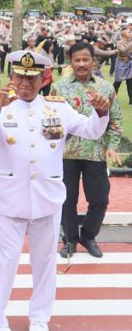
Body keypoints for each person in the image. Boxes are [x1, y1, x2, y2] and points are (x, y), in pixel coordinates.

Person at [0, 50, 110, 331]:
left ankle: (40, 317)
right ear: (12, 77)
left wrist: (102, 112)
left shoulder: (57, 108)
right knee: (4, 262)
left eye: (32, 78)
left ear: (43, 79)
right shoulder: (0, 106)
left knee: (45, 262)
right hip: (11, 198)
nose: (25, 84)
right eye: (20, 77)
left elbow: (91, 131)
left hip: (47, 197)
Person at [51, 41, 123, 259]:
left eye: (86, 59)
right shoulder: (59, 87)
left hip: (96, 153)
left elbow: (116, 119)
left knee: (100, 199)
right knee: (66, 200)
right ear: (70, 62)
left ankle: (89, 236)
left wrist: (111, 146)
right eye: (77, 60)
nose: (81, 64)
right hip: (66, 154)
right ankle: (70, 240)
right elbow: (52, 120)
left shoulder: (105, 87)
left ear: (94, 61)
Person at [112, 25, 132, 103]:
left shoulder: (130, 41)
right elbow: (123, 51)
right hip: (121, 64)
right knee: (117, 82)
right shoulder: (120, 42)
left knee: (130, 82)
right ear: (123, 34)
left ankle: (131, 99)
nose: (130, 33)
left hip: (129, 64)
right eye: (129, 32)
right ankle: (112, 98)